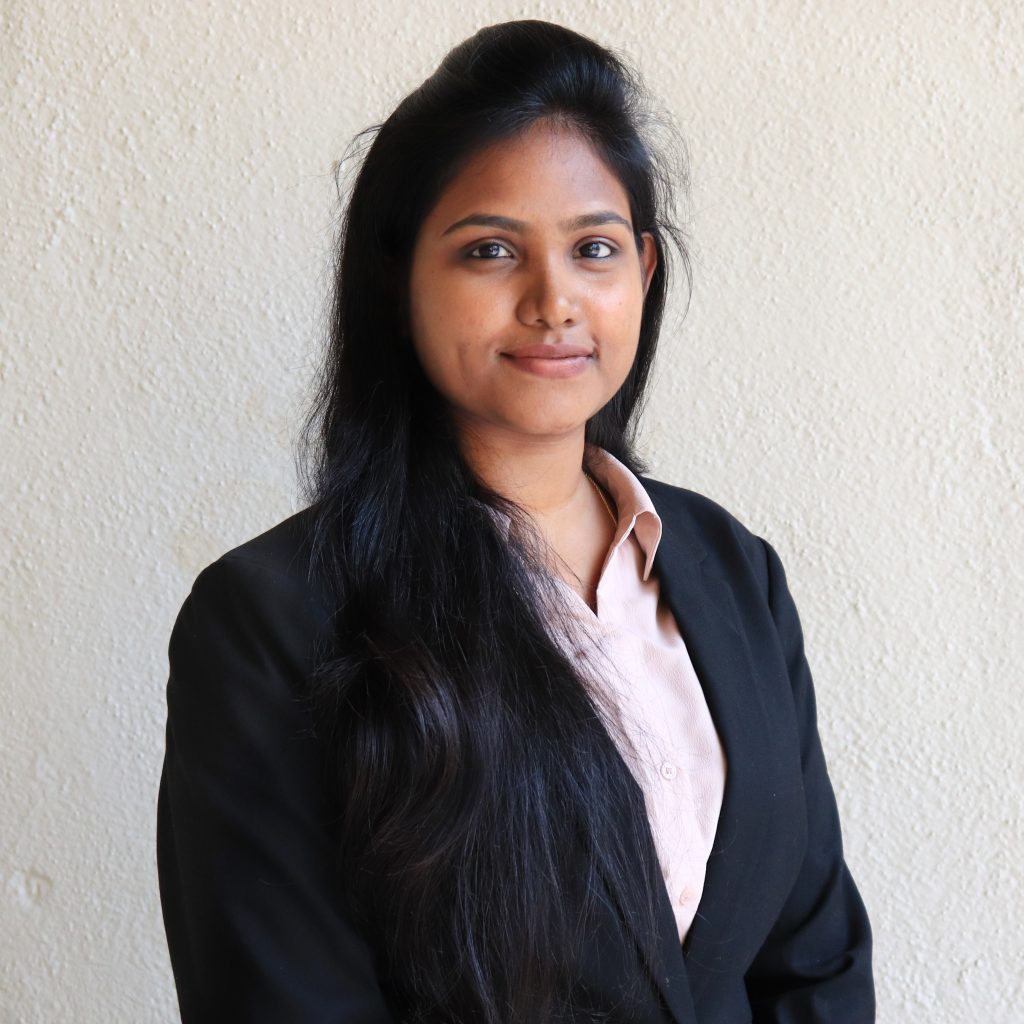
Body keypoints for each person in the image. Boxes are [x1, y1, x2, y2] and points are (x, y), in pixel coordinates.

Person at [156, 19, 874, 1024]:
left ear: (644, 272)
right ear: (400, 278)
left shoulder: (731, 570)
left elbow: (814, 957)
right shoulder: (273, 621)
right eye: (490, 250)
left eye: (593, 249)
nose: (553, 300)